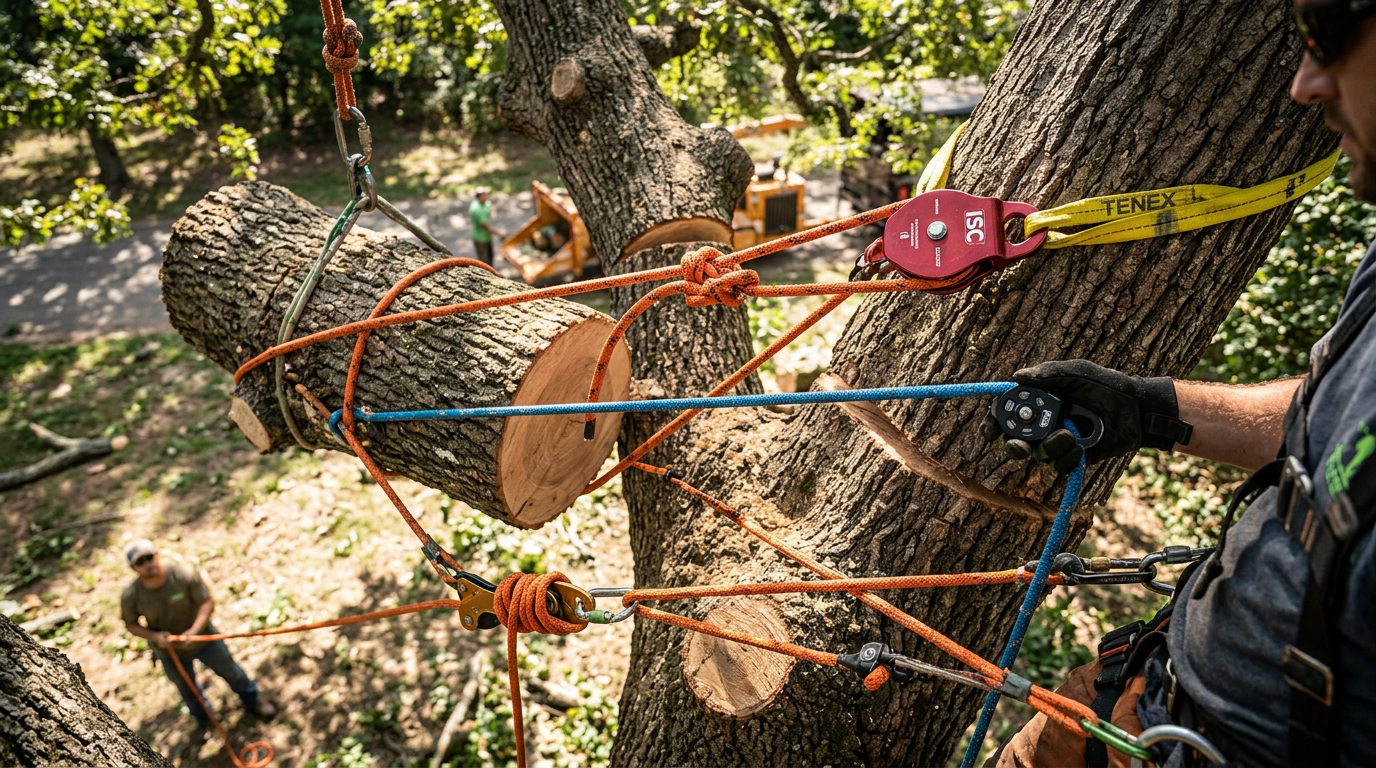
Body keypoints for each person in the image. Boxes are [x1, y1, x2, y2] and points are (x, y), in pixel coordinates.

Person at [987, 3, 1376, 766]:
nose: (1303, 84)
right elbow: (1338, 421)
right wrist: (1153, 409)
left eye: (1329, 37)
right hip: (1137, 699)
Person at [120, 539, 276, 734]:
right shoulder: (131, 595)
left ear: (157, 555)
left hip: (205, 639)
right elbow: (130, 624)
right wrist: (155, 636)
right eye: (140, 562)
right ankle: (205, 721)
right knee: (187, 689)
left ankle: (254, 702)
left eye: (149, 557)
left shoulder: (183, 574)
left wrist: (194, 631)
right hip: (170, 651)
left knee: (233, 673)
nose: (147, 564)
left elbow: (206, 601)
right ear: (134, 568)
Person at [469, 187, 506, 265]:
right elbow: (484, 225)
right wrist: (499, 233)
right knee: (484, 261)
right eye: (482, 195)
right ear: (478, 197)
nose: (485, 197)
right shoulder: (476, 209)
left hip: (487, 237)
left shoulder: (487, 204)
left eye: (485, 195)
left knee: (490, 257)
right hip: (480, 238)